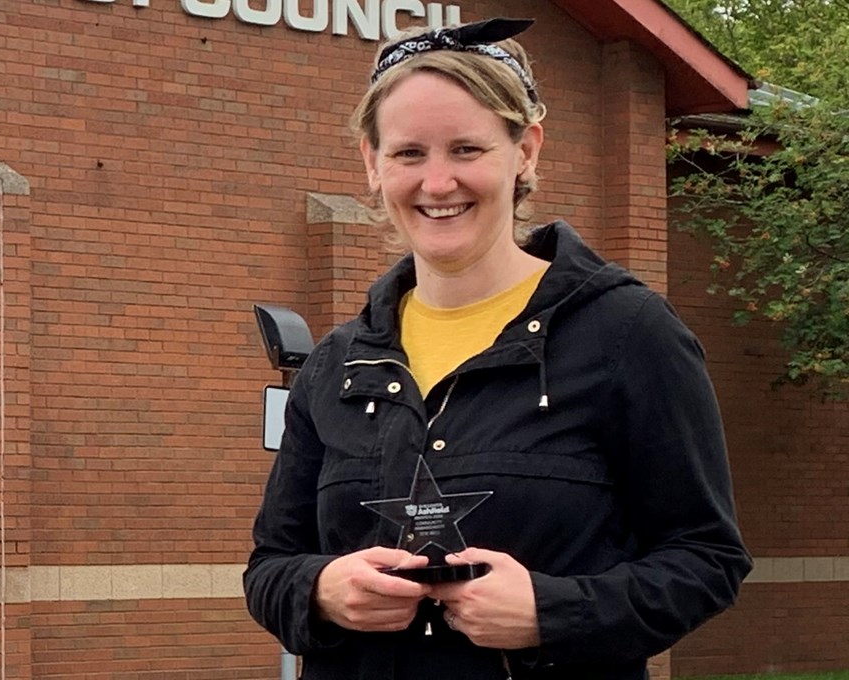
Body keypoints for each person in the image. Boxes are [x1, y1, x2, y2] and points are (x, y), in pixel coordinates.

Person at [243, 18, 750, 679]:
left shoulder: (628, 334)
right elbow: (270, 567)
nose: (437, 182)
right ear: (372, 163)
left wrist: (555, 610)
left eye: (466, 149)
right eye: (408, 154)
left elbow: (707, 560)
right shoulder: (340, 364)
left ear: (527, 150)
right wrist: (320, 590)